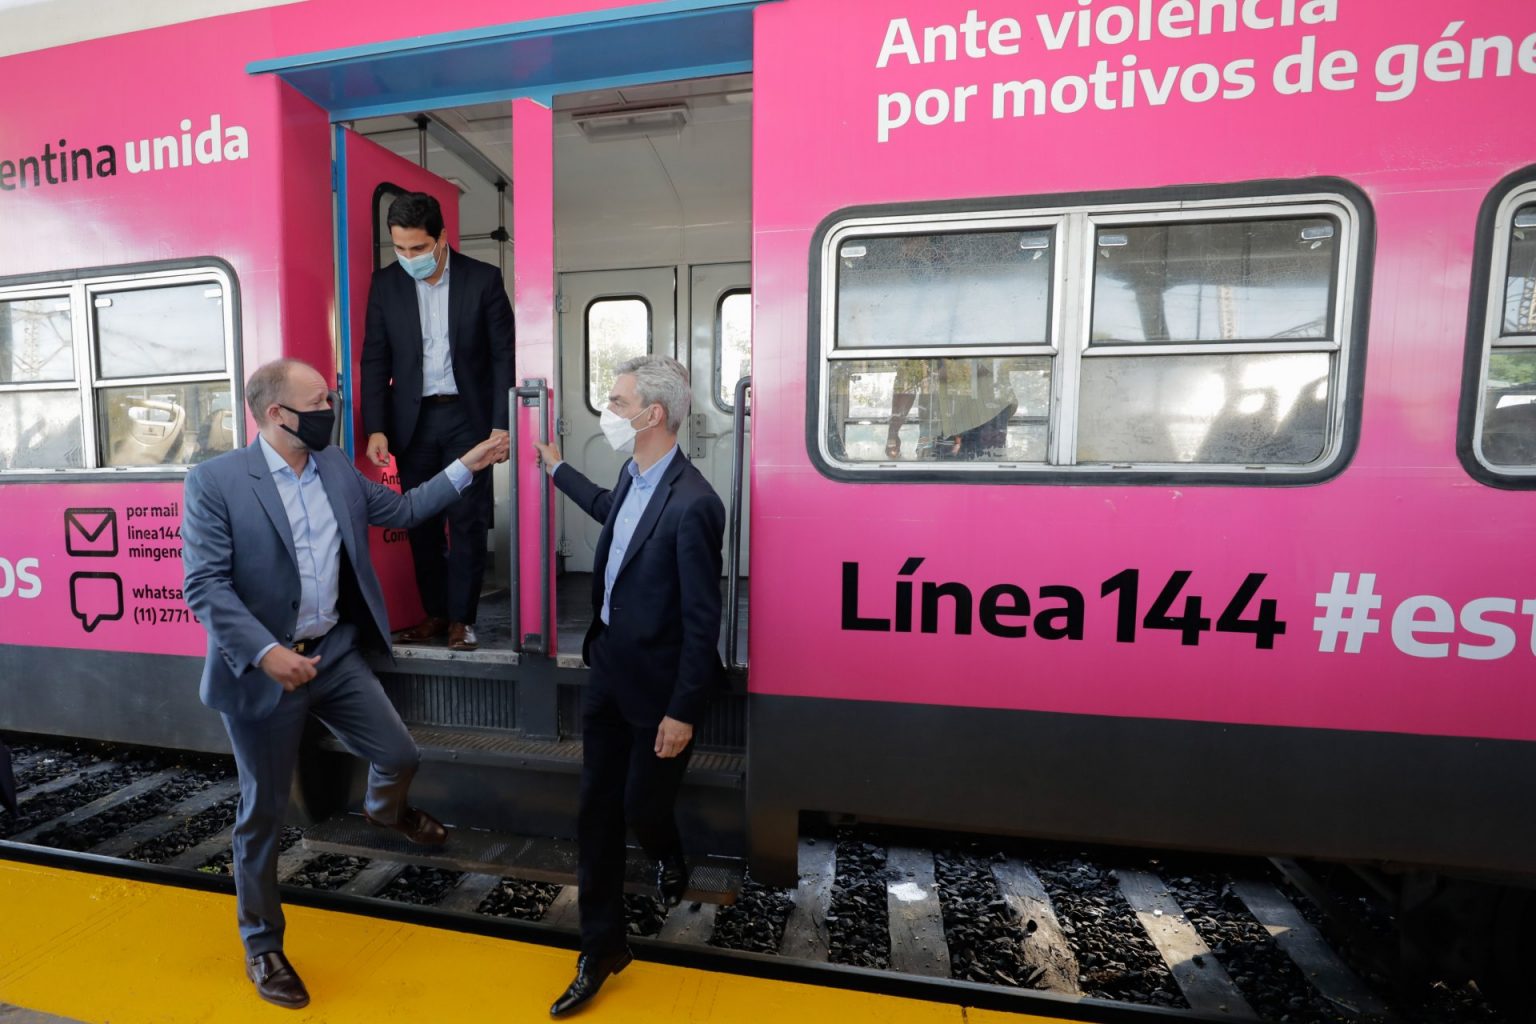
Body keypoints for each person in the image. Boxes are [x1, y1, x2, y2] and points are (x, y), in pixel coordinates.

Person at [182, 358, 508, 1010]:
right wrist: (267, 652)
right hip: (264, 673)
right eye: (323, 400)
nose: (334, 408)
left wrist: (468, 464)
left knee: (398, 753)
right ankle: (262, 945)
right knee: (262, 816)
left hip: (332, 656)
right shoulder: (216, 482)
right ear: (278, 413)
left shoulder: (334, 469)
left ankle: (385, 810)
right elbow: (205, 585)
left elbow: (409, 507)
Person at [532, 355, 725, 1017]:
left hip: (660, 689)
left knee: (644, 808)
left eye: (617, 403)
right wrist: (558, 470)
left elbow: (705, 624)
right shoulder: (632, 474)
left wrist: (682, 711)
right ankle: (601, 945)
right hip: (608, 667)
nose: (608, 414)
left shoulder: (697, 504)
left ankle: (669, 853)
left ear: (655, 415)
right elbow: (615, 512)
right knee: (596, 813)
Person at [360, 191, 515, 652]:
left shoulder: (483, 280)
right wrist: (377, 426)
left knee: (466, 520)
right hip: (413, 422)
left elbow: (503, 355)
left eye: (418, 248)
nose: (409, 258)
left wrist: (501, 424)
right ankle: (434, 614)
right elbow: (375, 357)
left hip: (467, 418)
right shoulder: (385, 284)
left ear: (442, 238)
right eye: (400, 248)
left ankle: (462, 621)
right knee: (419, 521)